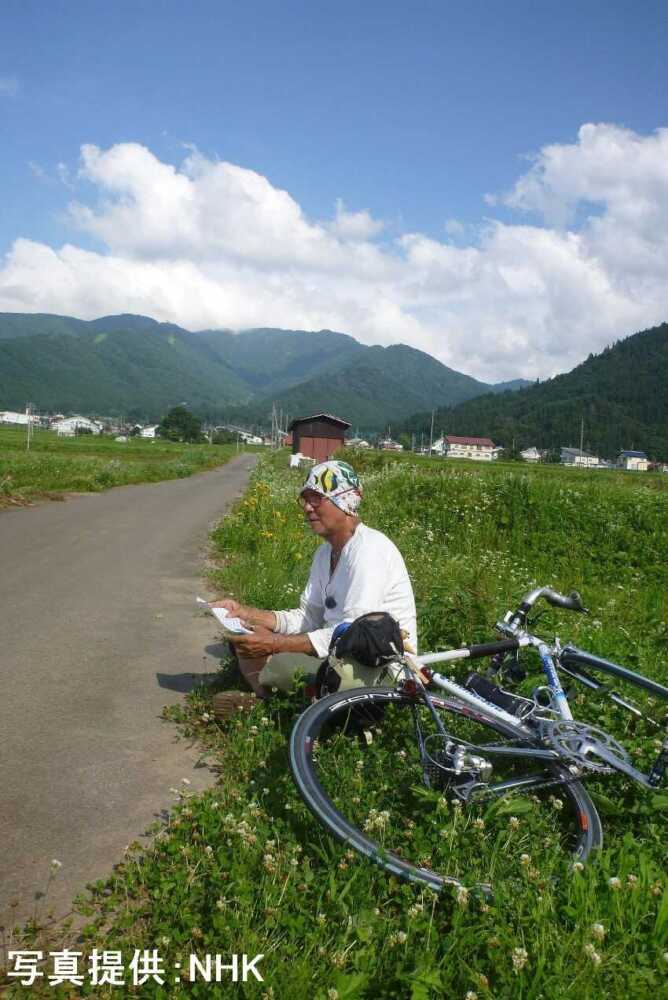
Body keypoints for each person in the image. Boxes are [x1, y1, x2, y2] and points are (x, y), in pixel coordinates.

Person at [211, 459, 417, 719]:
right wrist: (246, 614)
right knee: (248, 639)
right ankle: (273, 702)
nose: (308, 508)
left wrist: (274, 644)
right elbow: (308, 617)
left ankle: (278, 709)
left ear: (345, 501)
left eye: (317, 499)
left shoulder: (369, 550)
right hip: (338, 655)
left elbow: (355, 635)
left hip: (377, 667)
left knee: (280, 662)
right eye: (305, 500)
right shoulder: (325, 553)